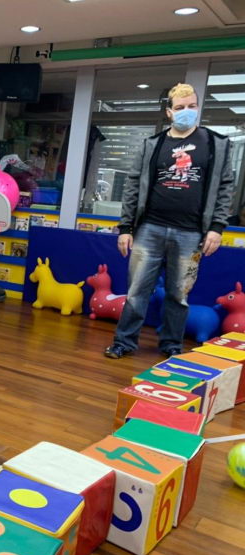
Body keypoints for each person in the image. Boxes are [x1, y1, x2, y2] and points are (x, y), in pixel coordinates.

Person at [104, 82, 234, 359]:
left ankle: (171, 344)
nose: (187, 111)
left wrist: (217, 227)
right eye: (180, 107)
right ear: (169, 112)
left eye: (192, 106)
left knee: (178, 294)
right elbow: (133, 185)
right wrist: (125, 227)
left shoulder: (216, 144)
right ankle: (124, 342)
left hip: (191, 233)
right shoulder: (153, 144)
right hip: (149, 228)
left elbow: (225, 188)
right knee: (137, 291)